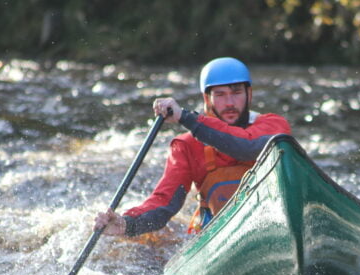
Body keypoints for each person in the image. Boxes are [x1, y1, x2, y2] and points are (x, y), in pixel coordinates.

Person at [94, 57, 291, 237]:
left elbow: (246, 146)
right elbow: (165, 203)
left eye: (237, 93)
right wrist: (126, 224)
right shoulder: (187, 145)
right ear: (207, 99)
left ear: (249, 94)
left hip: (275, 222)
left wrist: (186, 117)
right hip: (217, 234)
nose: (230, 103)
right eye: (220, 95)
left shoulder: (274, 126)